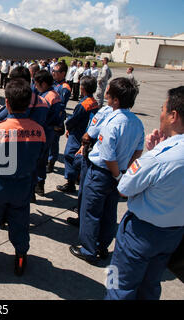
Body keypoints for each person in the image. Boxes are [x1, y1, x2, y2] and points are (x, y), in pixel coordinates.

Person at [105, 86, 184, 300]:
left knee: (118, 284)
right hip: (174, 234)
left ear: (173, 116)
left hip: (141, 233)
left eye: (163, 109)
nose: (161, 115)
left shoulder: (159, 158)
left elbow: (124, 188)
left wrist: (153, 153)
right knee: (150, 285)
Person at [0, 78, 46, 277]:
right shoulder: (39, 131)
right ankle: (21, 258)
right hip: (23, 185)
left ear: (7, 103)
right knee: (20, 222)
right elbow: (40, 158)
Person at [69, 77, 145, 264]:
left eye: (108, 92)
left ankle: (88, 249)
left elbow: (108, 155)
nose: (105, 94)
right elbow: (138, 150)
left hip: (102, 173)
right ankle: (102, 247)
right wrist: (123, 173)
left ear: (116, 99)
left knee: (91, 212)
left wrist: (116, 173)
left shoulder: (113, 122)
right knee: (109, 212)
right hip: (118, 174)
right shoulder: (136, 122)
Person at [57, 76, 98, 193]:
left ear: (82, 88)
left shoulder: (84, 104)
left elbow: (73, 119)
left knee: (70, 155)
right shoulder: (94, 102)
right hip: (87, 132)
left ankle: (70, 182)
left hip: (78, 133)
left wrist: (68, 127)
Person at [34, 70, 63, 197]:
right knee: (42, 159)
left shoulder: (46, 97)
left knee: (34, 160)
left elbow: (40, 117)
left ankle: (32, 190)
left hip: (42, 132)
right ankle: (40, 185)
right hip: (50, 133)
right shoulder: (55, 94)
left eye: (36, 84)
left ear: (44, 83)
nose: (35, 86)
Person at [48, 61, 71, 173]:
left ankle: (51, 162)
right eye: (53, 71)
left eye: (56, 71)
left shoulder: (64, 87)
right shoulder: (54, 84)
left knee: (54, 141)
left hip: (57, 118)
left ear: (63, 73)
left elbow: (61, 105)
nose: (53, 73)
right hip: (49, 116)